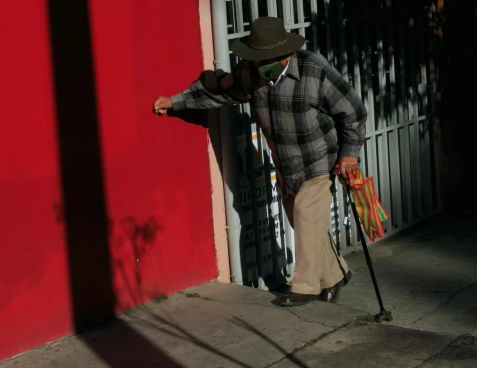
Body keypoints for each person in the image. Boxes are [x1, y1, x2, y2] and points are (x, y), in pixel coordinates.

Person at [152, 16, 367, 307]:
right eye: (257, 58)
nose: (261, 64)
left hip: (319, 159)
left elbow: (352, 111)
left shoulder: (314, 69)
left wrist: (349, 154)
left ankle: (304, 286)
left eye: (269, 58)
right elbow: (220, 91)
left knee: (305, 213)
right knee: (303, 221)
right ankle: (335, 275)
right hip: (286, 165)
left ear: (287, 54)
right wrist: (176, 101)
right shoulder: (249, 73)